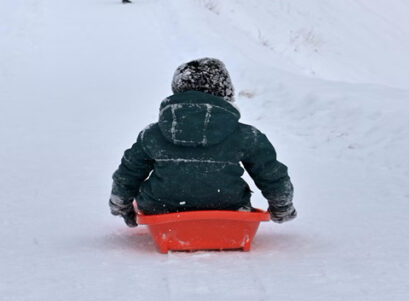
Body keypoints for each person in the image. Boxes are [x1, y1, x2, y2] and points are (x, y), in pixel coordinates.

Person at [108, 58, 297, 227]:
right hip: (228, 209)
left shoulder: (152, 134)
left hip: (161, 209)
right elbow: (271, 173)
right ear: (226, 93)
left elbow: (129, 173)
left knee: (151, 195)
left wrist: (122, 205)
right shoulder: (246, 135)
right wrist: (281, 207)